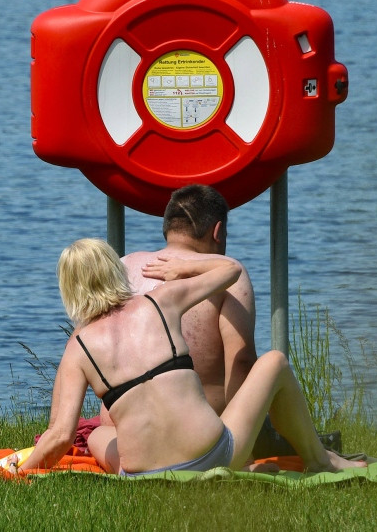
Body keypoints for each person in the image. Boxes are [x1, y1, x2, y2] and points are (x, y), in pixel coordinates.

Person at [14, 238, 363, 476]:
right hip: (214, 456)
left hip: (144, 475)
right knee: (274, 362)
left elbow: (60, 436)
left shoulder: (77, 348)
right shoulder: (160, 301)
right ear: (114, 271)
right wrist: (183, 267)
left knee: (92, 435)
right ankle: (318, 459)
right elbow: (231, 270)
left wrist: (19, 475)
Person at [121, 184, 302, 458]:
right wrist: (246, 441)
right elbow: (240, 363)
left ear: (168, 227)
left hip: (128, 439)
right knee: (275, 363)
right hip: (200, 441)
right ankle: (319, 457)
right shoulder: (227, 276)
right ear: (217, 231)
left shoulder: (123, 267)